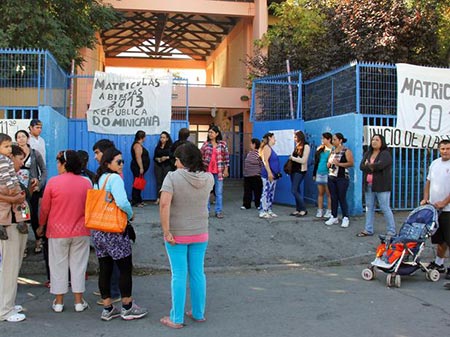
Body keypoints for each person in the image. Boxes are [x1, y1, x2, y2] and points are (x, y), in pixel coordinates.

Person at [159, 142, 214, 329]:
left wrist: (166, 231)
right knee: (198, 273)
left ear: (182, 160)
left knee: (179, 275)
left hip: (177, 235)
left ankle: (176, 318)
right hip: (200, 232)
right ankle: (198, 313)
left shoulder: (172, 178)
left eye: (176, 160)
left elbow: (164, 205)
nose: (175, 164)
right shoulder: (209, 178)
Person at [92, 147, 148, 321]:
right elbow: (122, 201)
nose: (122, 164)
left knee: (105, 268)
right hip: (114, 230)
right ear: (108, 163)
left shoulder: (99, 178)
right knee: (124, 268)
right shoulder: (114, 178)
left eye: (122, 161)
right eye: (118, 161)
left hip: (99, 229)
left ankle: (107, 308)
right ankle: (127, 306)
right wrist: (130, 214)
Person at [37, 150, 92, 313]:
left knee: (57, 266)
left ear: (64, 164)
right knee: (79, 266)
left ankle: (59, 302)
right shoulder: (86, 183)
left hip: (57, 231)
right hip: (81, 230)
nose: (57, 166)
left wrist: (41, 225)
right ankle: (78, 301)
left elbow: (45, 209)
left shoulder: (53, 183)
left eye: (58, 162)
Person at [0, 145, 29, 323]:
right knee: (8, 269)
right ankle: (5, 310)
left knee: (11, 268)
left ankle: (7, 303)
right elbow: (12, 195)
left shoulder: (11, 177)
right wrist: (14, 199)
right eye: (18, 158)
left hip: (14, 223)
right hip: (7, 225)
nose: (21, 162)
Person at [92, 139, 121, 306]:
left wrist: (129, 214)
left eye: (97, 153)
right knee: (107, 259)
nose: (95, 156)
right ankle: (107, 289)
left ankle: (114, 291)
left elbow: (121, 201)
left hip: (109, 221)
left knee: (113, 259)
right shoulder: (103, 171)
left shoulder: (113, 174)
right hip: (104, 221)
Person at [420, 139, 450, 281]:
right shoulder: (435, 163)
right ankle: (439, 264)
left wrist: (444, 202)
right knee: (440, 240)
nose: (445, 151)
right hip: (434, 209)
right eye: (443, 148)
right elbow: (428, 182)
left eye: (448, 148)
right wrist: (426, 199)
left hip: (448, 209)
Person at [15, 129, 47, 254]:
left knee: (33, 214)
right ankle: (24, 244)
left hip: (32, 189)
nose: (21, 139)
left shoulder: (35, 153)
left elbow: (44, 170)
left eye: (23, 136)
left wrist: (40, 183)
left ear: (28, 138)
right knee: (22, 215)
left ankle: (38, 240)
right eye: (18, 137)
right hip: (17, 189)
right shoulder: (13, 153)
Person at [358, 134, 396, 237]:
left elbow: (381, 165)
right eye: (373, 139)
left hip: (382, 186)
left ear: (381, 142)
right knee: (369, 207)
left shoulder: (385, 154)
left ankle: (391, 230)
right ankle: (368, 229)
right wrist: (371, 166)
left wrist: (369, 165)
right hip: (369, 185)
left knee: (385, 207)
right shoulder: (368, 153)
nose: (374, 141)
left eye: (377, 140)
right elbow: (361, 166)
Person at [0, 134, 30, 240]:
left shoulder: (15, 177)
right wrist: (13, 199)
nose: (22, 163)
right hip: (10, 229)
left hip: (17, 228)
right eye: (20, 159)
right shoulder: (4, 171)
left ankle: (23, 221)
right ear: (11, 157)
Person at [325, 132, 354, 228]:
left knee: (342, 197)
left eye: (335, 139)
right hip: (331, 176)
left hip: (342, 177)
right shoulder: (332, 151)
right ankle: (334, 216)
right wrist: (329, 164)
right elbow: (328, 163)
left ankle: (345, 217)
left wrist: (339, 164)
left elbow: (351, 163)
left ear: (340, 140)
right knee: (333, 197)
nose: (333, 141)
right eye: (332, 139)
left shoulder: (346, 151)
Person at [200, 125, 230, 219]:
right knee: (207, 192)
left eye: (212, 132)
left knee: (219, 192)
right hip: (207, 172)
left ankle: (218, 211)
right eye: (209, 132)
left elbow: (226, 158)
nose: (210, 134)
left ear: (217, 134)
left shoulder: (223, 144)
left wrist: (226, 169)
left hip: (219, 171)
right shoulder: (205, 144)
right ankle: (206, 211)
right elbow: (200, 156)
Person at [259, 132, 281, 219]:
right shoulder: (266, 148)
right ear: (269, 138)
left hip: (273, 175)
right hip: (268, 175)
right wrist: (269, 173)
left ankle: (268, 209)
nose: (275, 139)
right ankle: (262, 210)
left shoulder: (270, 148)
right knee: (266, 192)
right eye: (274, 138)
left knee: (271, 193)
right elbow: (265, 161)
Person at [288, 131, 310, 217]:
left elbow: (304, 160)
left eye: (295, 137)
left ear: (299, 137)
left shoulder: (306, 146)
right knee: (297, 190)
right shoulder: (297, 146)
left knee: (294, 190)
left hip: (300, 171)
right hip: (293, 171)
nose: (294, 139)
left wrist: (292, 158)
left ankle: (303, 209)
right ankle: (298, 209)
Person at [312, 132, 333, 218]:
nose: (322, 140)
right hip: (319, 172)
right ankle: (320, 210)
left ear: (329, 139)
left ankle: (329, 210)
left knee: (329, 193)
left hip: (328, 173)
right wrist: (314, 173)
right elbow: (316, 162)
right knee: (320, 193)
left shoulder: (333, 149)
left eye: (324, 138)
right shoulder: (320, 149)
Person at [130, 130, 150, 207]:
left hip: (138, 167)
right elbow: (138, 157)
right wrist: (141, 167)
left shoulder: (139, 145)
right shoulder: (137, 145)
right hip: (137, 167)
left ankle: (139, 200)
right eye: (145, 136)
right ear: (142, 137)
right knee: (136, 184)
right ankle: (135, 201)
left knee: (139, 183)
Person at [241, 138, 263, 210]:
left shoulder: (259, 153)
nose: (250, 145)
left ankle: (258, 204)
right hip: (247, 176)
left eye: (251, 143)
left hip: (256, 176)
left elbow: (262, 164)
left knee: (257, 191)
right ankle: (246, 204)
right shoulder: (249, 153)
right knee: (247, 191)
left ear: (254, 144)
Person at [153, 131, 173, 205]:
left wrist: (166, 157)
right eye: (161, 137)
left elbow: (173, 156)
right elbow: (154, 157)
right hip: (158, 166)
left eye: (164, 137)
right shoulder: (158, 147)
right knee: (159, 182)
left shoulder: (170, 147)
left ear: (167, 138)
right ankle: (159, 198)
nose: (162, 139)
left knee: (166, 183)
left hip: (167, 166)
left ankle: (166, 199)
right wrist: (158, 159)